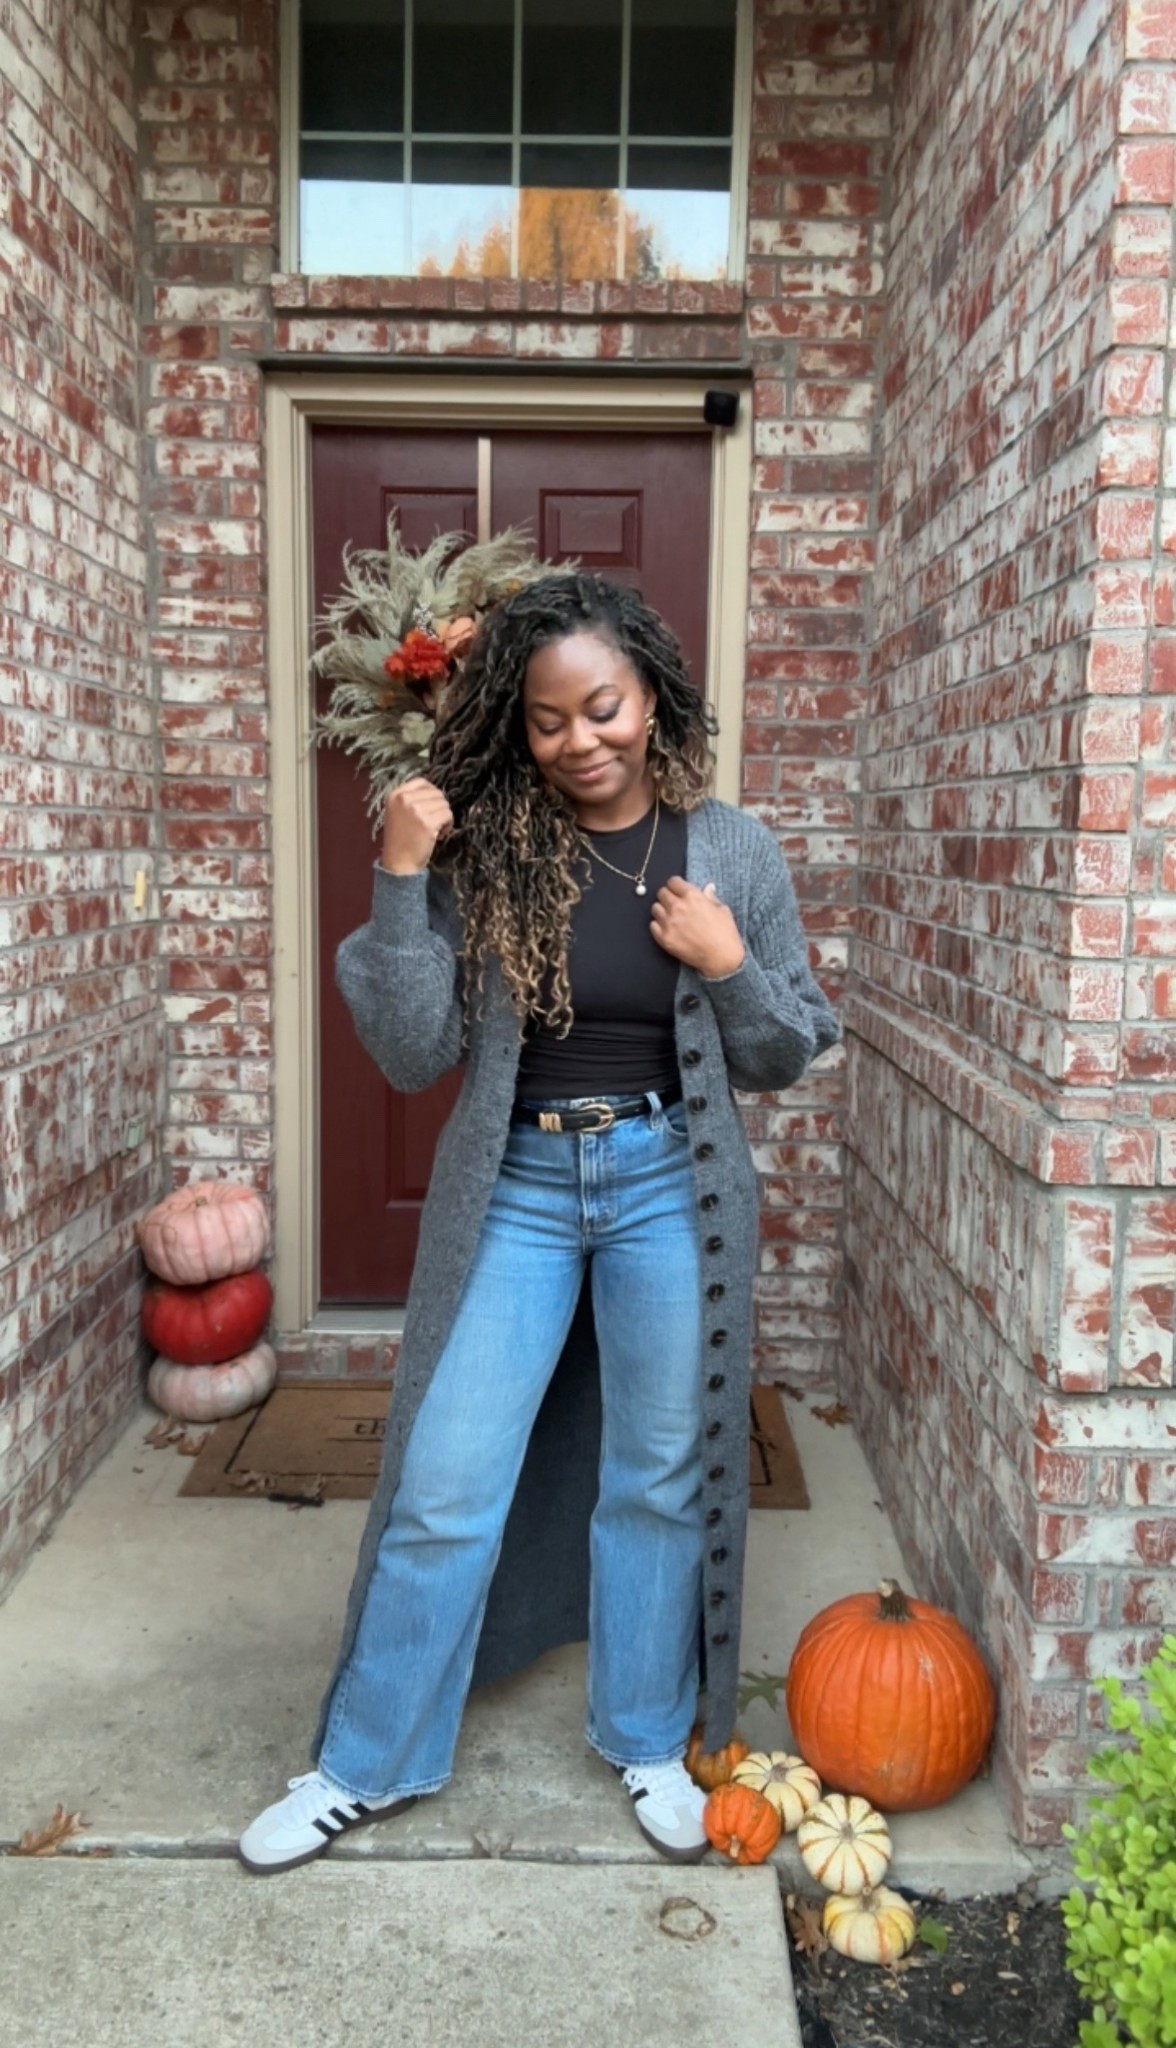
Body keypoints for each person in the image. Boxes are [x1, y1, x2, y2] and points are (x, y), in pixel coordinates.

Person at [239, 572, 839, 1875]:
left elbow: (788, 1048)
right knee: (445, 1480)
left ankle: (645, 1736)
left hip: (667, 1182)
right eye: (548, 719)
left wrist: (731, 966)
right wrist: (401, 876)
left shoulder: (730, 851)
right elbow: (413, 1051)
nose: (581, 741)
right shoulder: (489, 851)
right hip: (516, 1184)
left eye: (603, 708)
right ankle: (364, 1763)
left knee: (659, 1474)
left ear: (651, 695)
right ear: (519, 726)